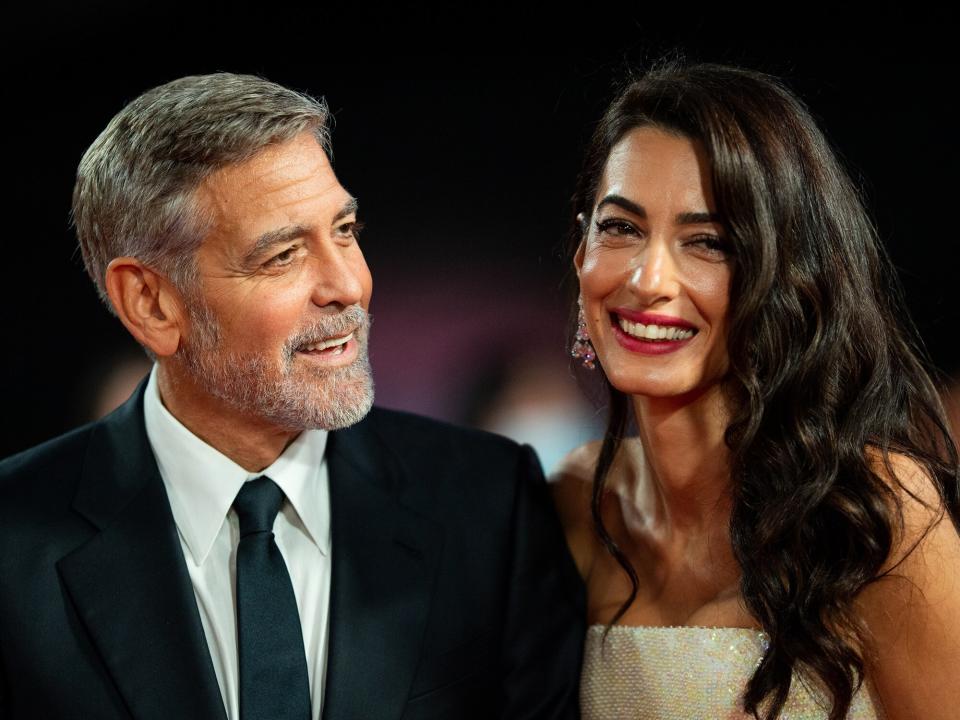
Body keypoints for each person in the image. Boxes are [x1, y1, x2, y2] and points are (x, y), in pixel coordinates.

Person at [0, 73, 585, 720]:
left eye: (345, 229)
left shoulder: (489, 503)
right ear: (152, 303)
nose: (347, 285)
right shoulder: (14, 541)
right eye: (282, 256)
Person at [551, 62, 960, 720]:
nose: (648, 278)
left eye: (707, 241)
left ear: (784, 276)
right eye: (620, 228)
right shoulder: (577, 507)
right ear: (581, 258)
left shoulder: (869, 511)